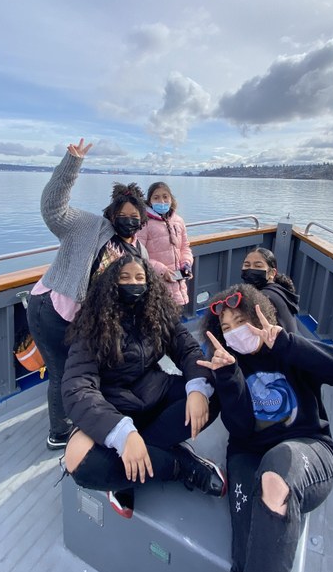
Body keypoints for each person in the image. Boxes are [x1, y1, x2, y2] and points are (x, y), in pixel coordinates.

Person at [199, 283, 333, 572]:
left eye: (241, 321)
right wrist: (229, 378)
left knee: (275, 474)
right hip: (249, 453)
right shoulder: (228, 364)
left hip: (307, 449)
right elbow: (242, 428)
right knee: (245, 548)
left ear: (260, 316)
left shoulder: (288, 349)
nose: (235, 332)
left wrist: (289, 345)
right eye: (226, 328)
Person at [61, 254, 226, 517]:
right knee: (78, 460)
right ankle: (179, 464)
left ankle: (126, 472)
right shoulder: (91, 326)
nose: (134, 283)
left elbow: (188, 350)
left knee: (214, 393)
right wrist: (122, 434)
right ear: (110, 285)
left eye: (140, 278)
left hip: (155, 395)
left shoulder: (158, 313)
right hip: (113, 408)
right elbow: (78, 388)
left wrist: (197, 389)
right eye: (124, 278)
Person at [27, 138, 150, 450]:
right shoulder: (88, 226)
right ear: (111, 214)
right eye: (122, 214)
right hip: (53, 308)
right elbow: (53, 209)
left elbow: (143, 280)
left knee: (87, 370)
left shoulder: (137, 248)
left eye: (135, 216)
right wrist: (71, 165)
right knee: (61, 372)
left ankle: (93, 416)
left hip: (85, 321)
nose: (129, 220)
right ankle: (59, 433)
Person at [137, 181, 193, 307]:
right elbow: (139, 254)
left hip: (178, 284)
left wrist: (186, 264)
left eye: (165, 196)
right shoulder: (144, 223)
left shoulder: (178, 221)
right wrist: (161, 270)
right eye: (156, 198)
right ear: (150, 201)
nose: (161, 201)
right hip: (157, 286)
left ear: (171, 199)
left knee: (177, 317)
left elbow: (185, 247)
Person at [241, 247, 300, 333]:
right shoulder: (280, 289)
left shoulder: (263, 298)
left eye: (258, 266)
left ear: (272, 273)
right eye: (247, 265)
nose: (251, 269)